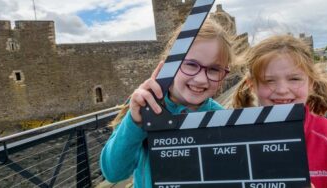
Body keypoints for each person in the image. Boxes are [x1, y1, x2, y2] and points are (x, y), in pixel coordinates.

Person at [100, 18, 234, 188]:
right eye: (191, 65)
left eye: (214, 69)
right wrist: (135, 123)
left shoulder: (223, 120)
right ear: (170, 64)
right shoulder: (143, 109)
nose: (200, 79)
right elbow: (114, 173)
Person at [232, 35, 327, 188]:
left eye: (294, 79)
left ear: (311, 83)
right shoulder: (233, 138)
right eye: (269, 81)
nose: (282, 90)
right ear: (252, 85)